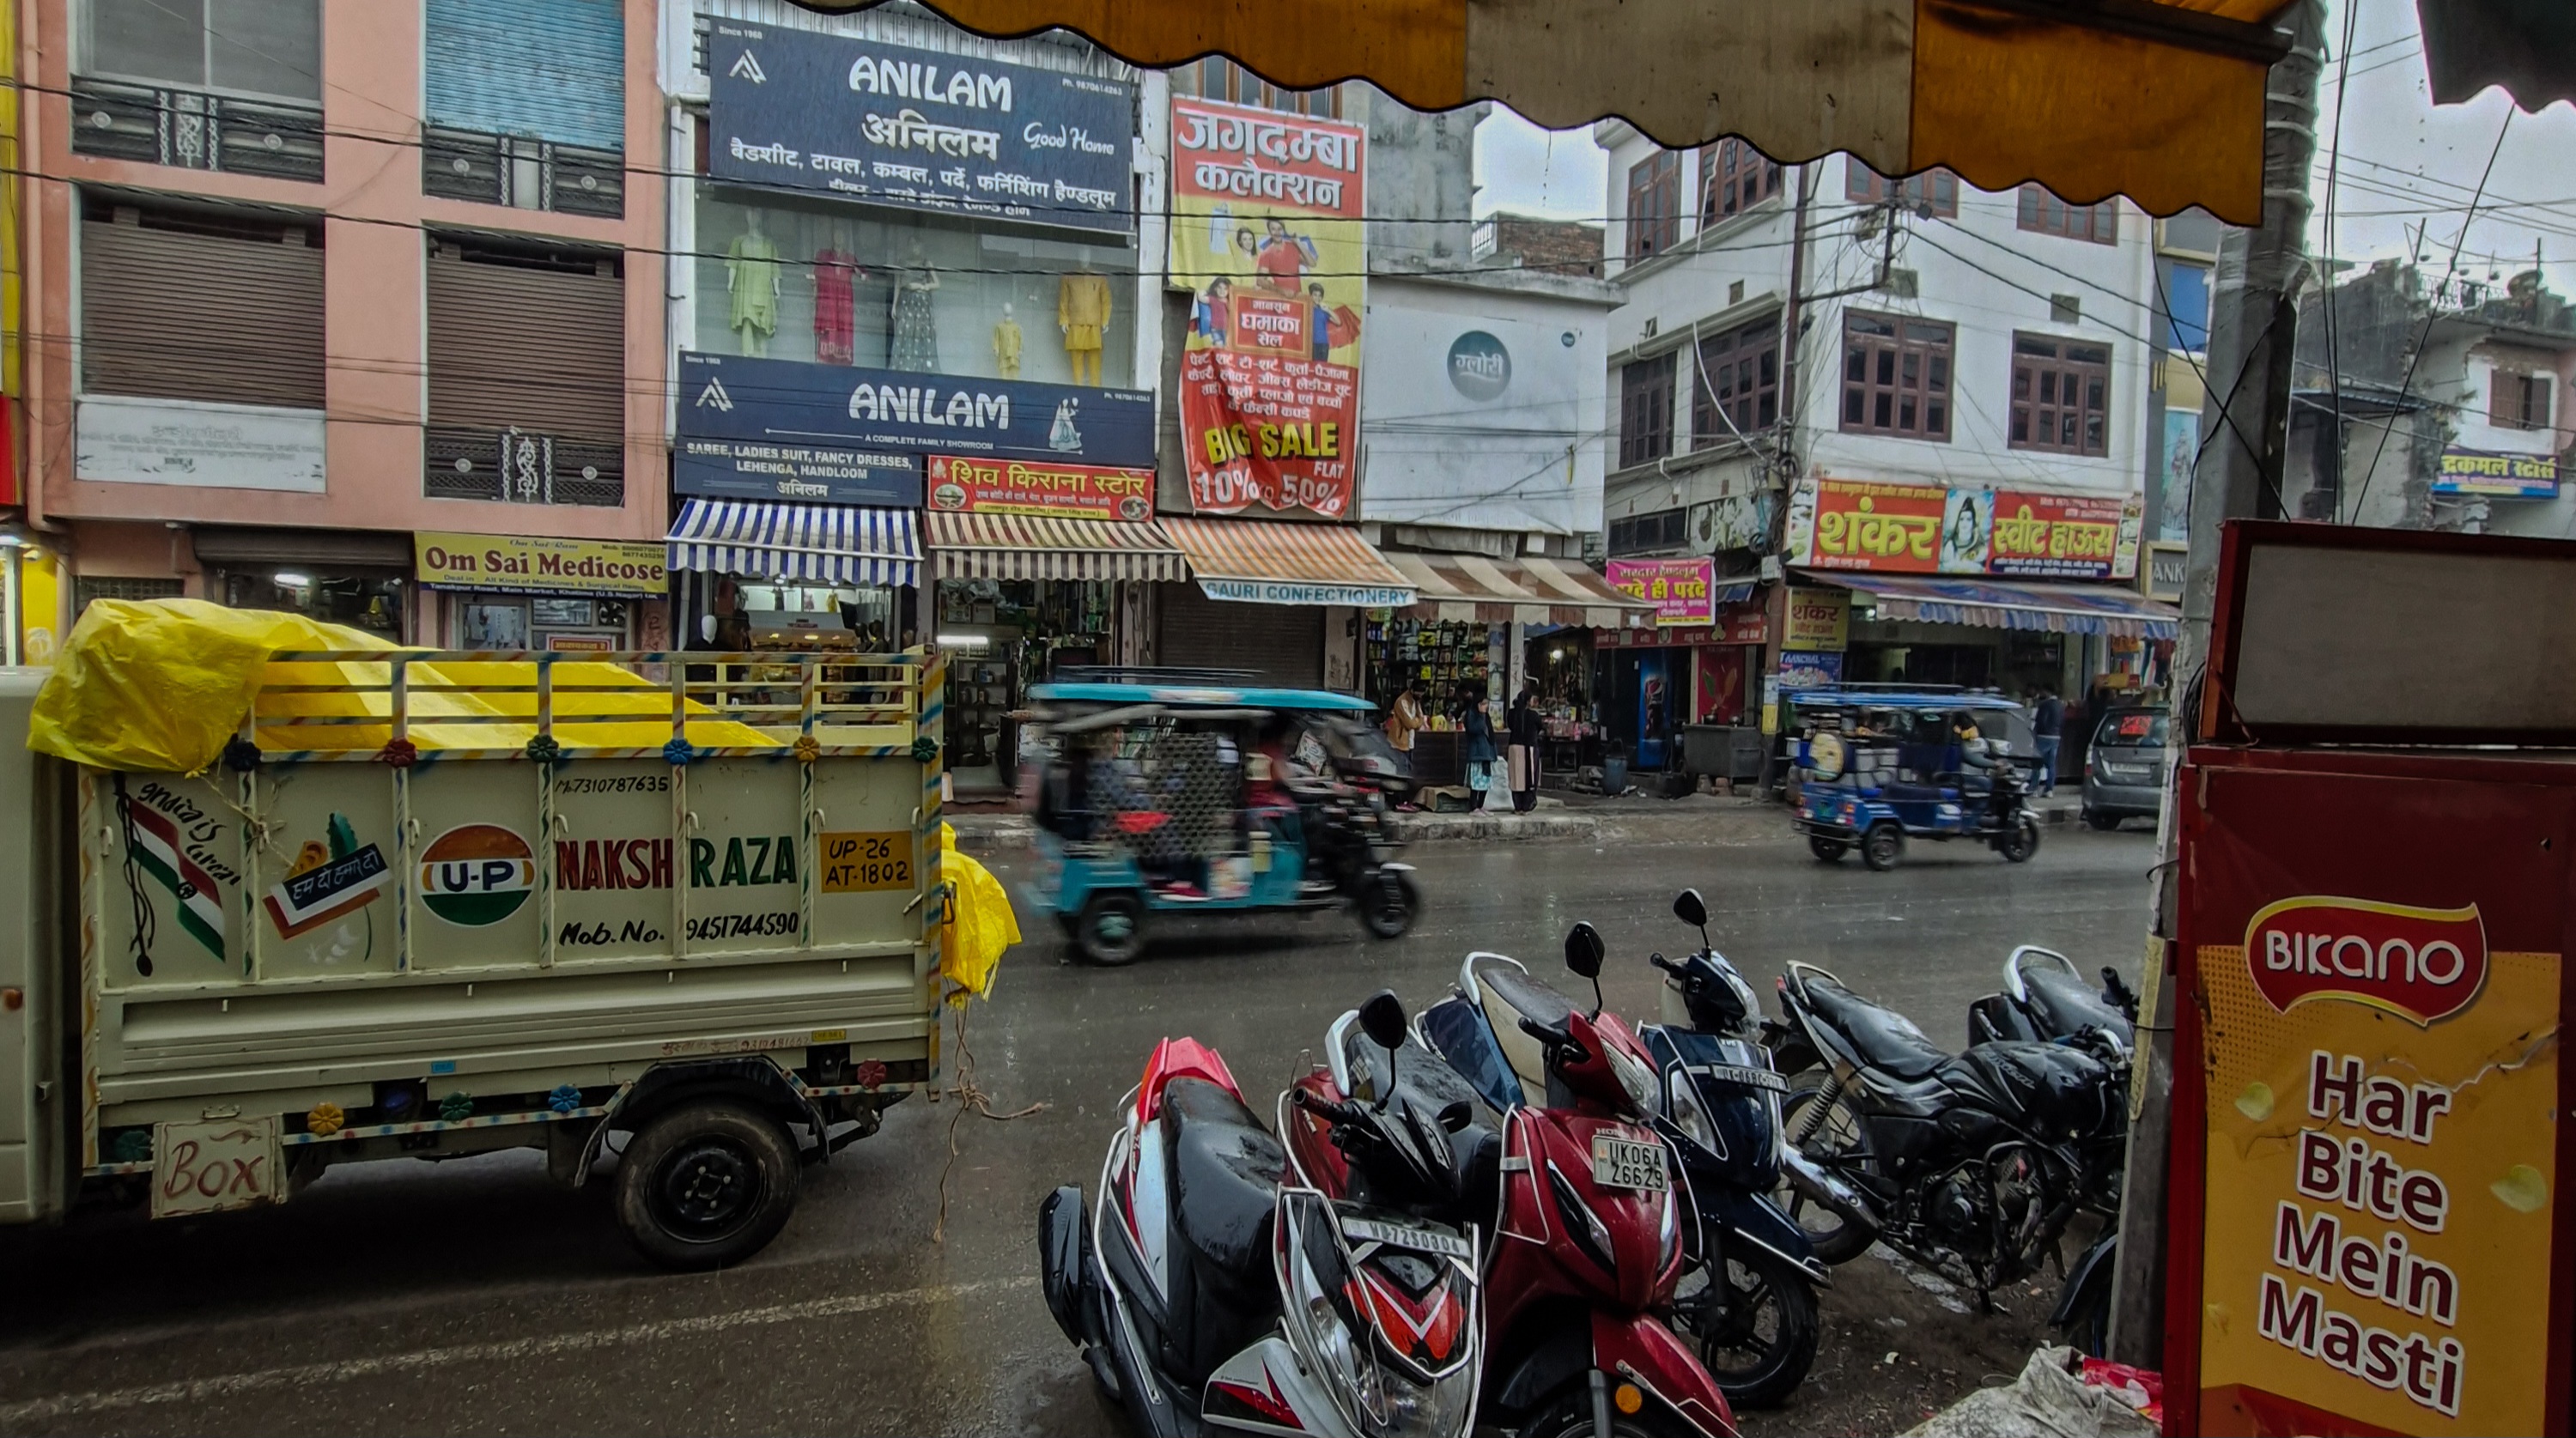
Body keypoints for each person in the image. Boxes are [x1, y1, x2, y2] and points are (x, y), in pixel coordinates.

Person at [1383, 683, 1425, 804]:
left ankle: (1406, 801)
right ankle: (1400, 801)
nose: (1420, 696)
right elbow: (1410, 724)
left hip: (1409, 742)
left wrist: (1417, 721)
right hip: (1400, 743)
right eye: (1419, 693)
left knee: (1408, 773)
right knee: (1402, 773)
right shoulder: (1402, 702)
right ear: (1412, 690)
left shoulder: (1416, 703)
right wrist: (1418, 721)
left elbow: (1419, 720)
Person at [1506, 683, 1544, 813]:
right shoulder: (1533, 715)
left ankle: (1517, 807)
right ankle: (1526, 806)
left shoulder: (1511, 713)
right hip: (1530, 748)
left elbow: (1510, 726)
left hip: (1514, 747)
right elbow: (1541, 727)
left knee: (1516, 778)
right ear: (1528, 701)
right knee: (1529, 778)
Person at [1462, 692, 1500, 810]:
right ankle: (1473, 807)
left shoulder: (1486, 717)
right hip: (1477, 753)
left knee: (1486, 782)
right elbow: (1474, 729)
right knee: (1476, 783)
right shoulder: (1471, 714)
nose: (1486, 706)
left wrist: (1494, 753)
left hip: (1487, 754)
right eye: (1483, 704)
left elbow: (1491, 735)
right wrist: (1481, 716)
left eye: (1487, 704)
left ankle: (1480, 806)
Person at [2030, 685, 2063, 797]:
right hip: (2056, 736)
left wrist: (2035, 733)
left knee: (2037, 763)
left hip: (2043, 735)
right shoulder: (2061, 705)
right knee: (2051, 764)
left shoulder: (2044, 705)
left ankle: (2033, 788)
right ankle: (2049, 790)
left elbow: (2040, 721)